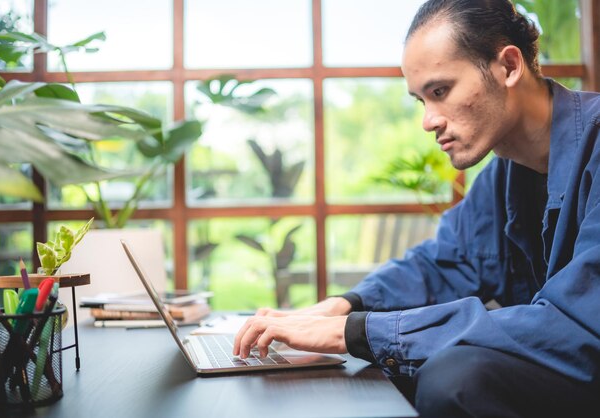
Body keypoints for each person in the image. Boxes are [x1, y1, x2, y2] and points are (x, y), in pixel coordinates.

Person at [234, 0, 600, 416]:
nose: (428, 121)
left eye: (440, 92)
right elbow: (444, 263)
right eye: (420, 100)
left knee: (456, 376)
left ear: (509, 66)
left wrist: (355, 333)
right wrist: (345, 306)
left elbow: (575, 323)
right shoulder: (505, 176)